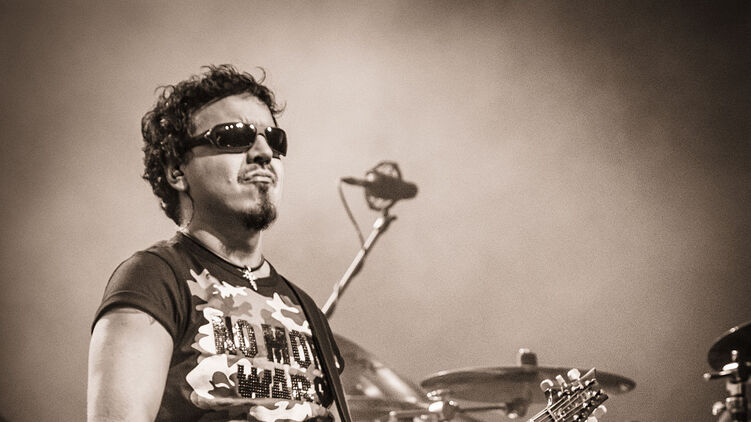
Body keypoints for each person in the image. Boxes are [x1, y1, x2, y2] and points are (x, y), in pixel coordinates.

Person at [88, 65, 351, 422]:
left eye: (274, 140)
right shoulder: (154, 280)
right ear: (176, 171)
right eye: (235, 136)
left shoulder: (307, 311)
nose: (263, 152)